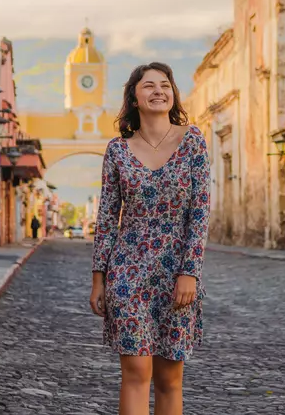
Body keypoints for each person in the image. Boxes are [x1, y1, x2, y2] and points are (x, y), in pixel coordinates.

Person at [89, 62, 210, 415]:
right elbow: (108, 217)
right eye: (148, 86)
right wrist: (99, 280)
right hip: (127, 271)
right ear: (134, 98)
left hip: (176, 272)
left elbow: (200, 212)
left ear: (173, 95)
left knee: (170, 377)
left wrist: (190, 272)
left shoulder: (193, 142)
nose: (158, 90)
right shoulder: (117, 151)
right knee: (136, 370)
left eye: (165, 85)